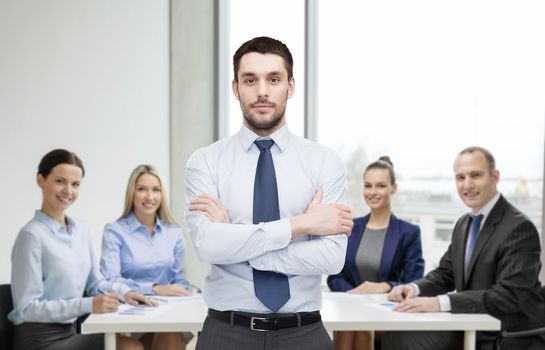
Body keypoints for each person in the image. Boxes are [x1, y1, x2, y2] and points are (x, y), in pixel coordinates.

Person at [185, 36, 353, 350]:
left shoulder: (324, 162)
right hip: (226, 332)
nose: (262, 91)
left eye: (273, 79)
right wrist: (301, 225)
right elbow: (208, 246)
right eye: (251, 80)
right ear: (236, 88)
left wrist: (237, 241)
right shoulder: (206, 161)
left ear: (290, 86)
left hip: (303, 333)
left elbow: (332, 257)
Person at [383, 146, 545, 350]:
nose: (467, 185)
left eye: (475, 175)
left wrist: (439, 303)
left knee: (401, 342)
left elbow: (508, 296)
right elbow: (445, 274)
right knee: (392, 335)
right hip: (472, 327)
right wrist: (414, 288)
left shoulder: (519, 227)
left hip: (509, 337)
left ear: (495, 177)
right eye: (460, 178)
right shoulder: (464, 224)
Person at [9, 149, 155, 350]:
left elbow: (96, 283)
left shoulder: (81, 229)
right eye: (60, 181)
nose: (68, 191)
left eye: (75, 184)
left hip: (72, 331)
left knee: (145, 342)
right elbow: (27, 308)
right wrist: (88, 305)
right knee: (129, 348)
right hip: (39, 340)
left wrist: (125, 293)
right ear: (41, 180)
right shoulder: (31, 235)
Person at [328, 156, 425, 350]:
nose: (373, 192)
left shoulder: (408, 232)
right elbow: (335, 276)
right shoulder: (351, 228)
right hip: (351, 308)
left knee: (361, 326)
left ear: (393, 188)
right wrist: (355, 295)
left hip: (387, 311)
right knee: (352, 325)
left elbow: (415, 281)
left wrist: (385, 286)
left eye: (380, 186)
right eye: (368, 186)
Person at [100, 164, 192, 350]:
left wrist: (180, 289)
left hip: (166, 313)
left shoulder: (173, 232)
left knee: (172, 333)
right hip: (127, 314)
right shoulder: (114, 231)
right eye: (142, 189)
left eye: (155, 190)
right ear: (131, 193)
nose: (150, 197)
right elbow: (109, 280)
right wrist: (154, 289)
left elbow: (179, 277)